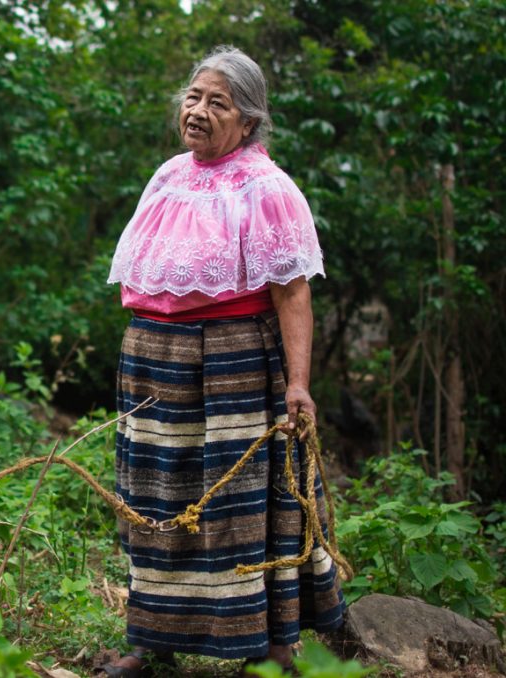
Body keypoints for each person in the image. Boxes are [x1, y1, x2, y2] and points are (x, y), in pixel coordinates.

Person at [100, 46, 345, 677]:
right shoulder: (168, 176)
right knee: (157, 497)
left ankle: (271, 648)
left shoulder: (267, 188)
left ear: (249, 120)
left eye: (219, 102)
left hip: (231, 363)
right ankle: (152, 641)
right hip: (153, 362)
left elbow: (292, 291)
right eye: (193, 97)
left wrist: (298, 384)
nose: (200, 111)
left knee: (234, 503)